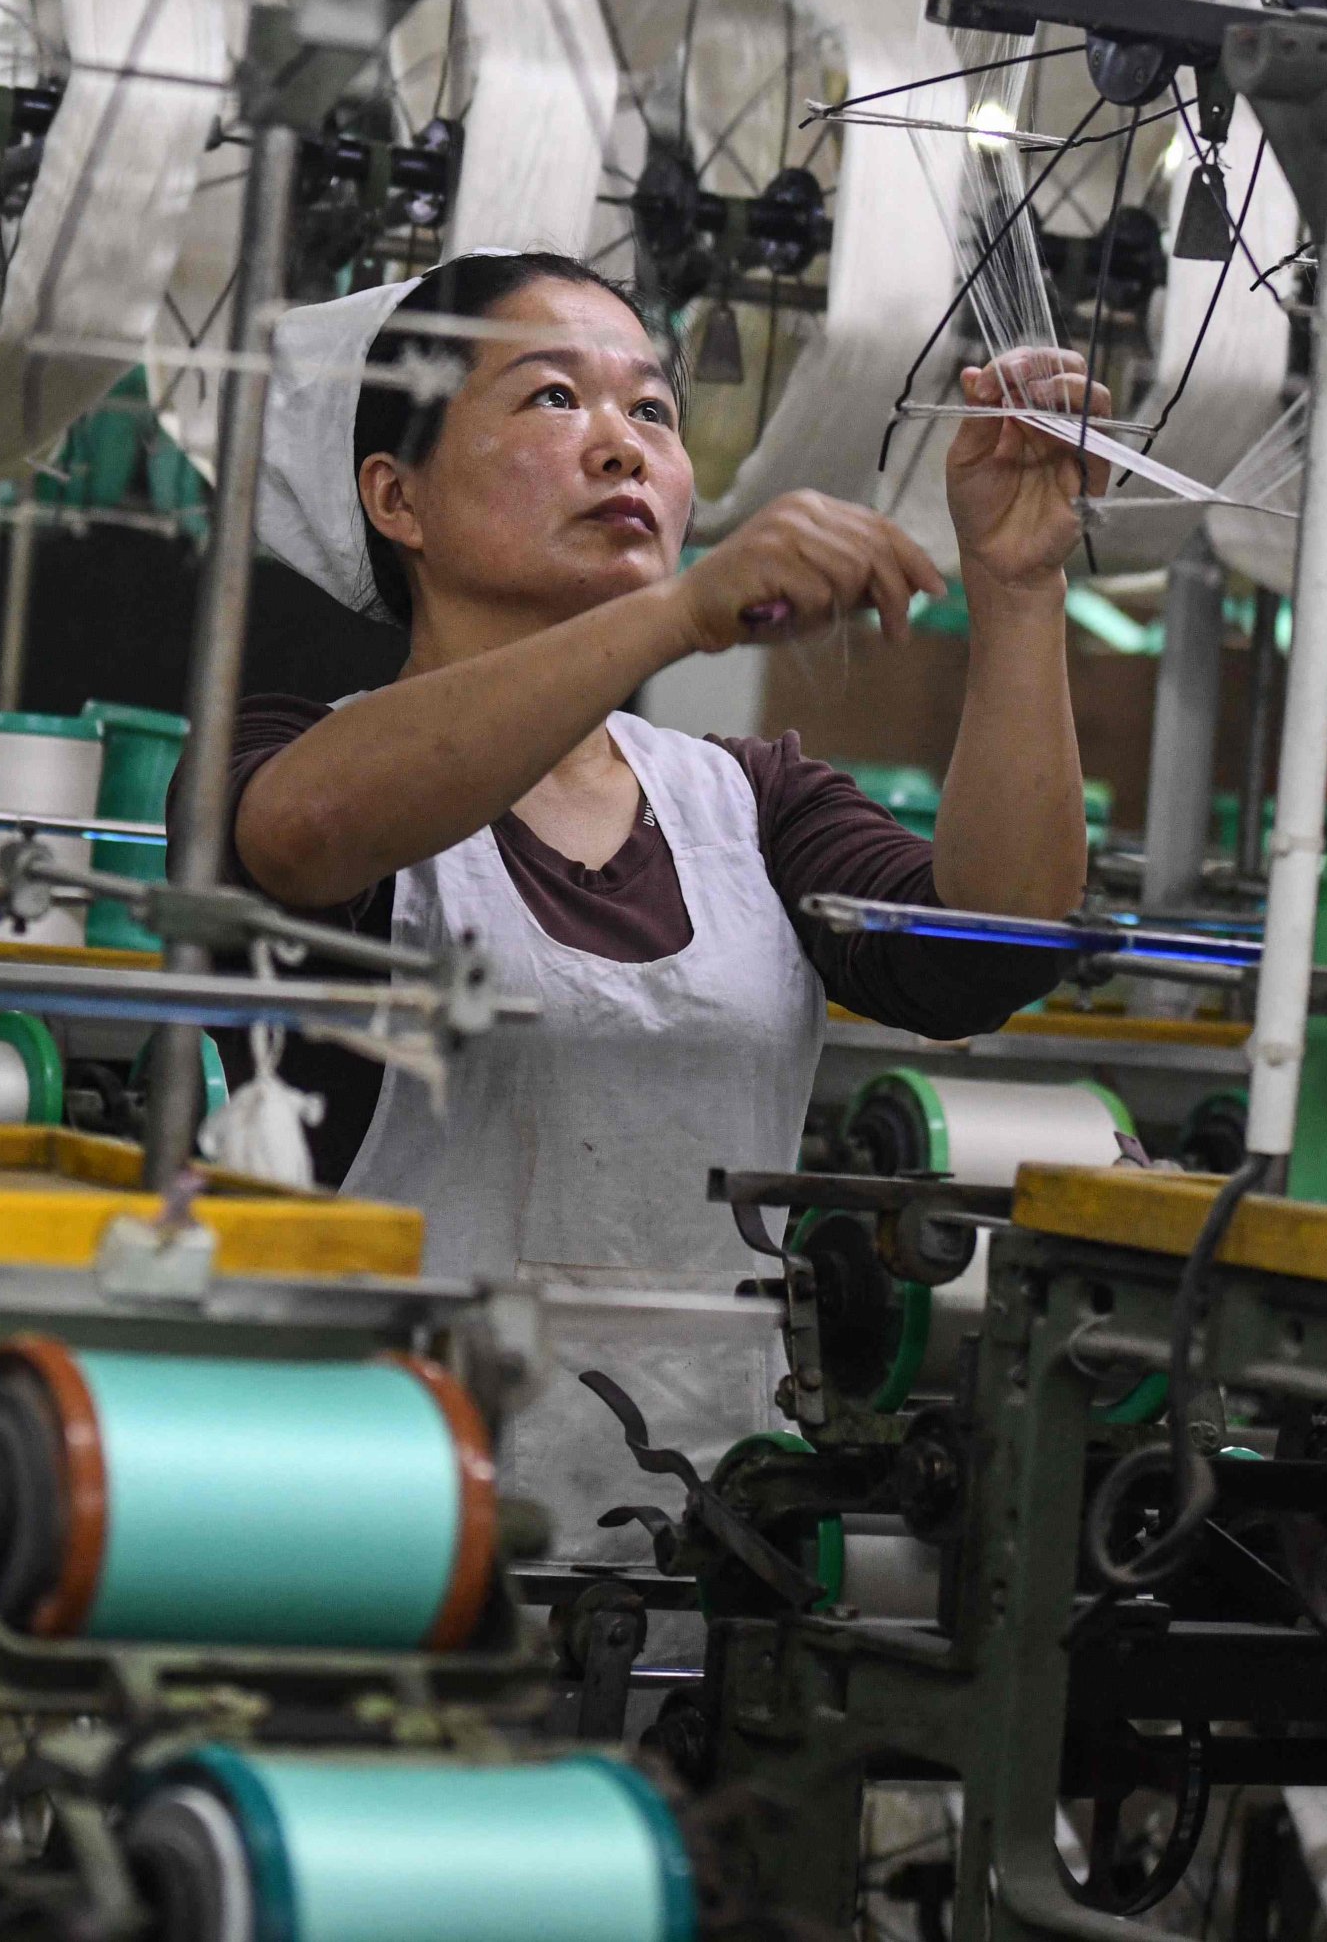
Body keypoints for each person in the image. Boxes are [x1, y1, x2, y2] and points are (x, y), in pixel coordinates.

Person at [229, 246, 1110, 1550]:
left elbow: (992, 945)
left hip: (706, 1561)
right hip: (371, 1541)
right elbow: (305, 835)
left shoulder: (747, 805)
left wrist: (1021, 588)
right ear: (394, 497)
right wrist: (680, 615)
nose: (619, 445)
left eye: (651, 410)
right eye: (550, 399)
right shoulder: (295, 755)